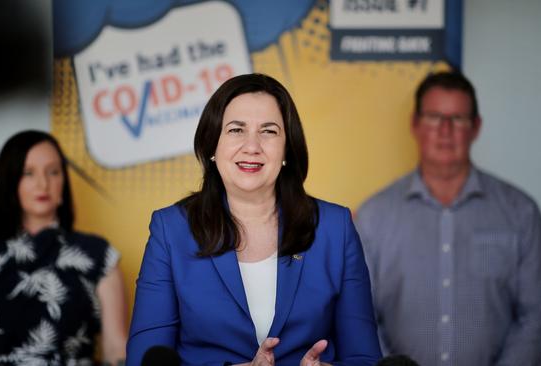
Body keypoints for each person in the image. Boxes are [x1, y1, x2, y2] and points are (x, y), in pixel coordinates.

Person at [127, 73, 382, 366]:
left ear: (287, 148)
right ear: (212, 145)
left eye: (269, 131)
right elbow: (145, 361)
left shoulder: (335, 228)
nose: (252, 146)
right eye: (236, 130)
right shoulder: (171, 230)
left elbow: (364, 358)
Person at [355, 71, 541, 365]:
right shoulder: (374, 216)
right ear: (414, 124)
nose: (445, 130)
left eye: (458, 119)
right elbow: (360, 315)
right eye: (434, 117)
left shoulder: (520, 212)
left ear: (476, 127)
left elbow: (535, 317)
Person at [0, 130, 128, 365]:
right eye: (28, 173)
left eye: (53, 172)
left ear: (63, 181)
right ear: (9, 181)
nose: (43, 183)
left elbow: (116, 347)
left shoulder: (98, 254)